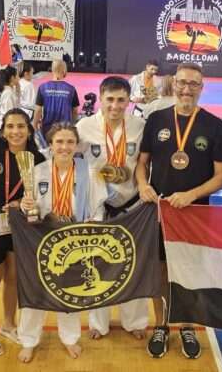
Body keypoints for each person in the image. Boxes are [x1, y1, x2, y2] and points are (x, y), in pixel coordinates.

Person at [136, 62, 222, 360]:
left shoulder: (214, 125)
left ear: (202, 88)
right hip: (161, 212)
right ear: (173, 84)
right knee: (160, 271)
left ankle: (188, 325)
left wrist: (191, 195)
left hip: (196, 215)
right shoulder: (156, 119)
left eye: (193, 84)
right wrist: (142, 184)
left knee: (192, 271)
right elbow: (141, 164)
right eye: (182, 82)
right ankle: (162, 325)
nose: (186, 88)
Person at [17, 122, 103, 363]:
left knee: (69, 290)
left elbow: (98, 209)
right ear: (51, 145)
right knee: (35, 291)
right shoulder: (37, 171)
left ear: (77, 145)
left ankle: (70, 337)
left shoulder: (89, 172)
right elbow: (29, 208)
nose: (64, 147)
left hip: (74, 241)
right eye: (59, 142)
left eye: (70, 142)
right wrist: (26, 206)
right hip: (41, 240)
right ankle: (28, 340)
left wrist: (93, 224)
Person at [77, 76, 149, 342]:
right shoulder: (84, 127)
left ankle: (135, 321)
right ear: (100, 98)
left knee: (133, 263)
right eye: (110, 99)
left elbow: (145, 163)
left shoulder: (140, 126)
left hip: (132, 205)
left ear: (129, 100)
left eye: (121, 100)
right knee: (96, 263)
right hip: (97, 206)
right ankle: (98, 323)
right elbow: (73, 163)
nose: (115, 106)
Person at [0, 109, 45, 357]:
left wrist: (23, 202)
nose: (16, 131)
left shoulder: (36, 158)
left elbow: (41, 195)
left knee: (13, 278)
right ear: (2, 130)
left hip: (20, 227)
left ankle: (8, 324)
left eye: (21, 126)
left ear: (29, 130)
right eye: (10, 126)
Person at [33, 59, 79, 139]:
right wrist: (72, 123)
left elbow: (38, 110)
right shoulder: (71, 89)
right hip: (65, 128)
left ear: (52, 69)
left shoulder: (43, 87)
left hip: (47, 128)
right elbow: (75, 111)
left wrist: (34, 124)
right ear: (64, 71)